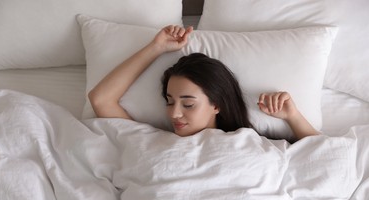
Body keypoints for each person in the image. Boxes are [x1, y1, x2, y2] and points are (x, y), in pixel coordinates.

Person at [88, 25, 319, 140]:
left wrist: (293, 117)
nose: (174, 114)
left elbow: (325, 155)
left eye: (188, 104)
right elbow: (100, 99)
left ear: (217, 104)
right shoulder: (155, 141)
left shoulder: (250, 144)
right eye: (169, 102)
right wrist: (156, 48)